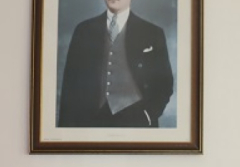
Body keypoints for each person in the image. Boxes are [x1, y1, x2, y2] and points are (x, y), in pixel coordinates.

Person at [58, 0, 174, 128]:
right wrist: (65, 130)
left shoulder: (153, 32)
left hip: (136, 121)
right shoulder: (83, 30)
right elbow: (70, 85)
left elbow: (164, 83)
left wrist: (148, 115)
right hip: (89, 121)